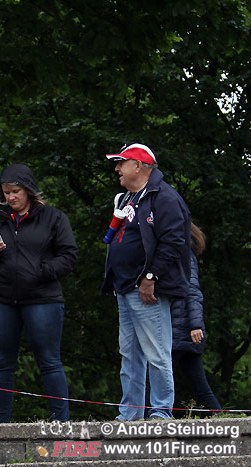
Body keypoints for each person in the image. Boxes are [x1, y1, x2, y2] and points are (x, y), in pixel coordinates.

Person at [0, 164, 78, 422]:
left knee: (50, 362)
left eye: (15, 191)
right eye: (6, 192)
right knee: (2, 364)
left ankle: (60, 424)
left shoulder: (53, 218)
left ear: (29, 190)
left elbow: (69, 257)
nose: (10, 197)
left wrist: (42, 272)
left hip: (43, 299)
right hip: (2, 300)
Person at [102, 143, 191, 420]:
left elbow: (174, 241)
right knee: (129, 353)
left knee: (156, 351)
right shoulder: (127, 198)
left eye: (121, 163)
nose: (117, 168)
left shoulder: (164, 197)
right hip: (124, 286)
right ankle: (130, 413)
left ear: (138, 165)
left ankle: (161, 412)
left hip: (146, 288)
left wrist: (151, 277)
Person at [170, 222, 221, 414]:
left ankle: (147, 419)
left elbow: (192, 291)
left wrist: (195, 325)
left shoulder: (183, 255)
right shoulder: (183, 254)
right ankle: (220, 420)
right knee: (200, 387)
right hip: (184, 330)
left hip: (181, 330)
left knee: (153, 377)